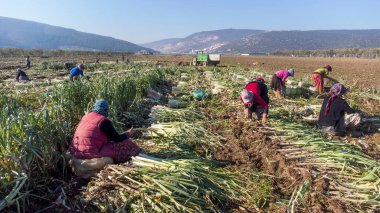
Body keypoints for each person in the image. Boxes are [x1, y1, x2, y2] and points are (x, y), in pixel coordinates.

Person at [69, 99, 142, 163]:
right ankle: (138, 155)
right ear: (105, 109)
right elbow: (116, 139)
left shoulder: (86, 117)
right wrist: (128, 133)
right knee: (125, 143)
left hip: (76, 151)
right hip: (92, 152)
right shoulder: (103, 121)